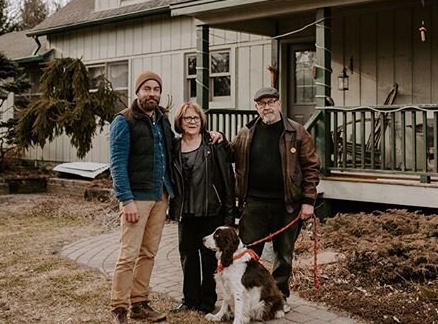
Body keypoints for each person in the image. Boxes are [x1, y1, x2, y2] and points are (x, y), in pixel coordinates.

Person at [233, 87, 320, 311]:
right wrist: (216, 138)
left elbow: (311, 167)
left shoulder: (297, 132)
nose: (267, 107)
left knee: (284, 255)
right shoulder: (246, 133)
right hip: (254, 204)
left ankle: (279, 298)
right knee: (248, 254)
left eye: (271, 102)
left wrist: (308, 201)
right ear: (256, 107)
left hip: (287, 204)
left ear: (279, 104)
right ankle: (248, 297)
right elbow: (229, 154)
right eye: (262, 103)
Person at [109, 71, 173, 323]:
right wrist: (126, 200)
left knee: (149, 253)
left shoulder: (162, 120)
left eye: (156, 89)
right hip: (137, 198)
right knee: (128, 255)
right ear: (137, 92)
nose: (152, 93)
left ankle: (139, 304)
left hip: (160, 195)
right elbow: (117, 164)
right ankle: (119, 308)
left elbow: (171, 150)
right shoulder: (124, 121)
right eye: (147, 89)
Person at [168, 101, 235, 315]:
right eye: (187, 118)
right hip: (186, 211)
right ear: (180, 122)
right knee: (187, 257)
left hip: (211, 210)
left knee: (208, 259)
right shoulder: (175, 147)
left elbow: (227, 177)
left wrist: (229, 213)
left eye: (196, 118)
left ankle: (207, 301)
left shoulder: (213, 144)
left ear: (202, 120)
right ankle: (189, 299)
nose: (192, 121)